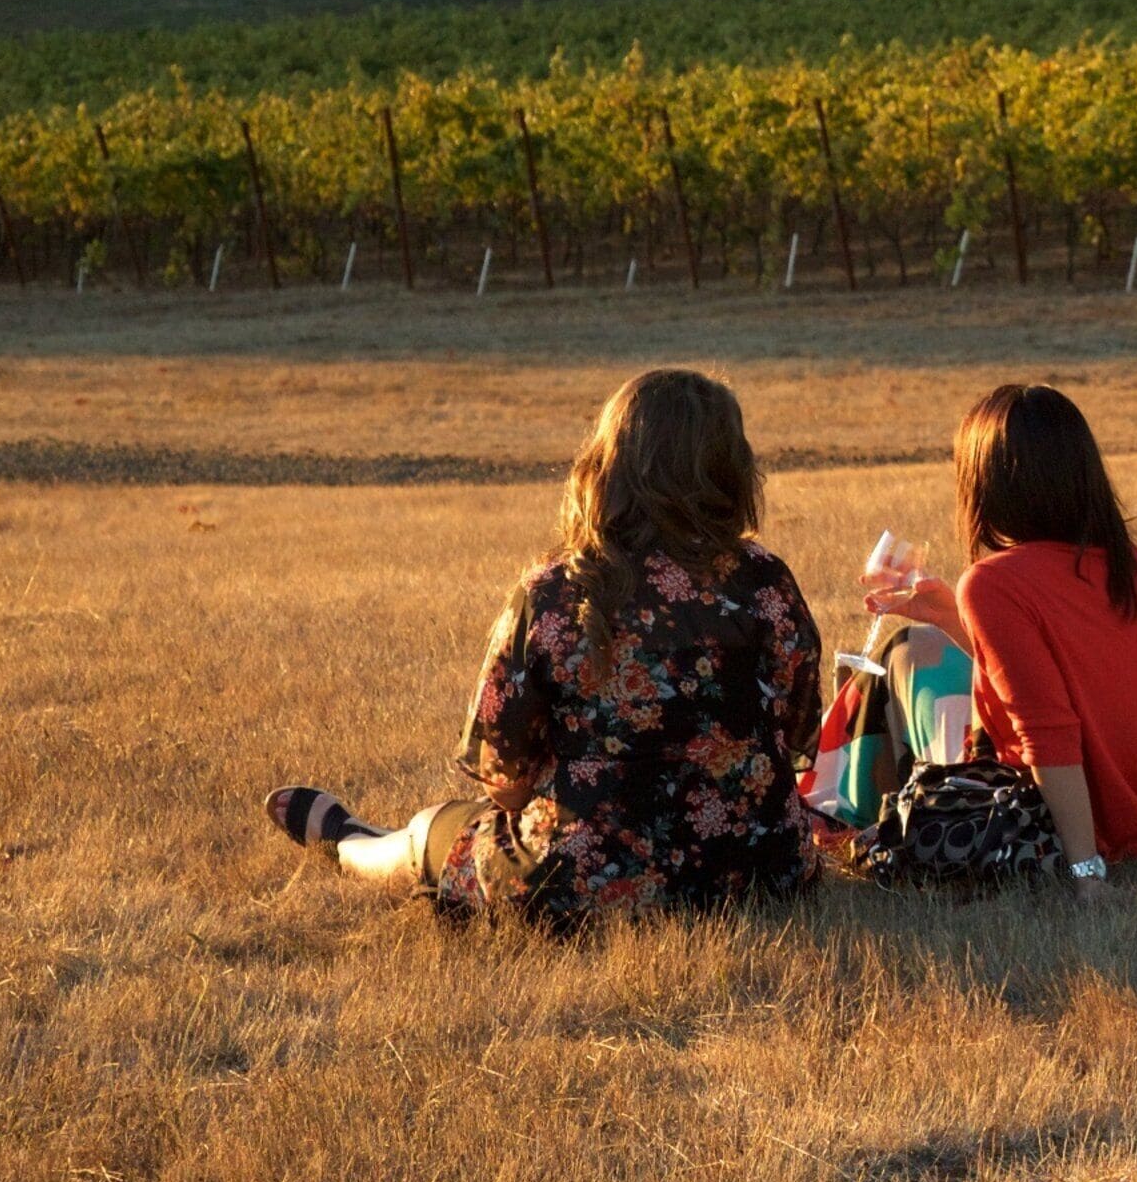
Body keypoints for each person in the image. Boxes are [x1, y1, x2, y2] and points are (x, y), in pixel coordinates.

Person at [262, 368, 822, 931]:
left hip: (583, 886)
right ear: (730, 468)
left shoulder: (554, 591)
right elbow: (796, 735)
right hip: (762, 870)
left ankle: (348, 841)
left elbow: (507, 784)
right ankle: (370, 837)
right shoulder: (766, 581)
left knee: (436, 832)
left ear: (612, 466)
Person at [864, 383, 1137, 893]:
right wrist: (947, 617)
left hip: (1084, 826)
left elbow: (1047, 733)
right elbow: (1072, 681)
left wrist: (1086, 869)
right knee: (915, 647)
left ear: (984, 484)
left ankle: (848, 812)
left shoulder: (994, 582)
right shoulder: (1124, 561)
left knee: (899, 665)